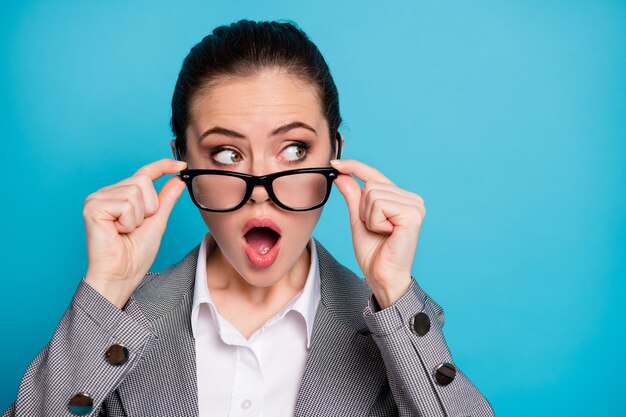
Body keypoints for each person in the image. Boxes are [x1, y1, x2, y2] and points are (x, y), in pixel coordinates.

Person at [3, 20, 493, 417]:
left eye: (295, 149)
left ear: (336, 153)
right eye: (226, 154)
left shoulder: (395, 329)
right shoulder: (116, 326)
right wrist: (104, 292)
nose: (261, 191)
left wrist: (395, 293)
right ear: (182, 162)